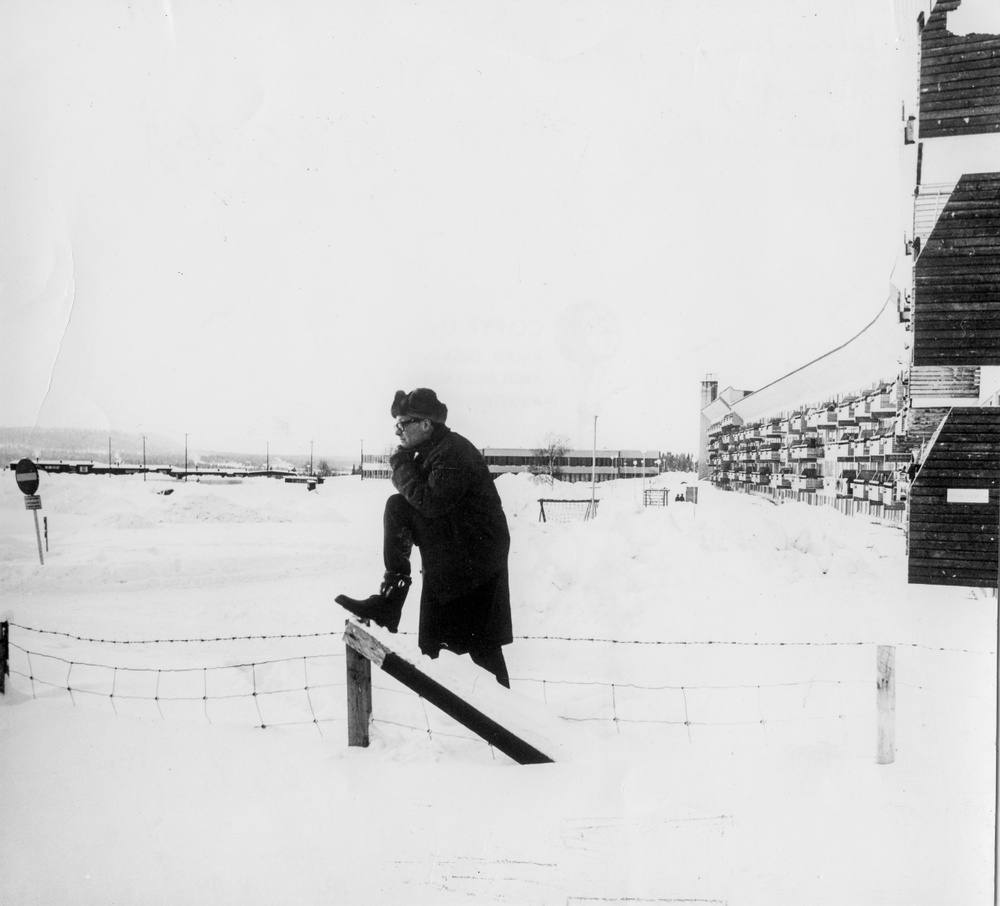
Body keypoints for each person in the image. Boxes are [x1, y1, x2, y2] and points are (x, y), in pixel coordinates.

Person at [337, 388, 513, 687]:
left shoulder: (452, 452)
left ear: (426, 424)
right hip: (455, 552)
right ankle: (390, 599)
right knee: (447, 644)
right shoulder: (435, 450)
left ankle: (508, 723)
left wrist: (402, 463)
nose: (398, 430)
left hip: (475, 560)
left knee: (479, 645)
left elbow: (429, 503)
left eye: (403, 422)